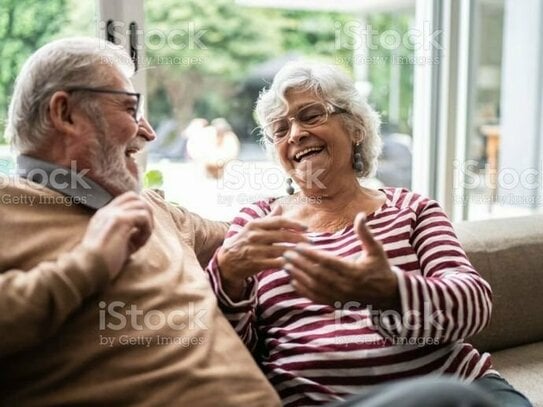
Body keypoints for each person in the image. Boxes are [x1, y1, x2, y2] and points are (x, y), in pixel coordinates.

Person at [205, 62, 532, 407]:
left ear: (355, 127)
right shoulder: (257, 222)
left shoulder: (412, 209)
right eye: (280, 129)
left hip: (461, 384)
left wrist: (391, 292)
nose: (295, 134)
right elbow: (230, 355)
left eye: (311, 115)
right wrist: (227, 277)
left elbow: (474, 306)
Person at [0, 37, 281, 406]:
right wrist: (89, 263)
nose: (148, 132)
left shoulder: (153, 208)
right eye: (130, 109)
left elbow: (248, 233)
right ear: (65, 113)